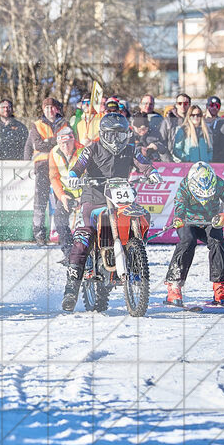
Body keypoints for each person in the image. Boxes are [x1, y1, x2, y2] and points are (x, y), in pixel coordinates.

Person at [62, 113, 161, 312]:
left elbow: (143, 162)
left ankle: (135, 252)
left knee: (143, 215)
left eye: (120, 135)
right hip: (94, 197)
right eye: (111, 135)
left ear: (127, 134)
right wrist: (73, 176)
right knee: (84, 235)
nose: (116, 140)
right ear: (103, 134)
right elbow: (78, 166)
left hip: (121, 199)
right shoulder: (92, 149)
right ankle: (71, 289)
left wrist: (152, 173)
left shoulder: (131, 149)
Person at [163, 162, 224, 307]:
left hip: (211, 221)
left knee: (218, 242)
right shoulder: (185, 186)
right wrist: (179, 218)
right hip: (188, 221)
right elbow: (179, 206)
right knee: (188, 241)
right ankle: (174, 285)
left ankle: (219, 286)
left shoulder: (219, 184)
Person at [25, 98, 65, 244]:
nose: (49, 110)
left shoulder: (64, 124)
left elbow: (67, 141)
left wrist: (48, 141)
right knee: (40, 202)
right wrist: (55, 141)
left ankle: (61, 231)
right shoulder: (37, 125)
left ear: (57, 109)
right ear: (43, 110)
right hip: (42, 166)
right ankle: (39, 233)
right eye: (46, 107)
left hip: (60, 166)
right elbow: (37, 145)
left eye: (52, 107)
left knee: (61, 199)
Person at [48, 126, 82, 258]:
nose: (65, 147)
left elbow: (91, 175)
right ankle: (69, 254)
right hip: (66, 193)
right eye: (61, 144)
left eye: (67, 143)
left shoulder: (83, 150)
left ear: (73, 141)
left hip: (85, 193)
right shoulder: (54, 152)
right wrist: (62, 196)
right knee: (60, 219)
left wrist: (83, 197)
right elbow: (54, 177)